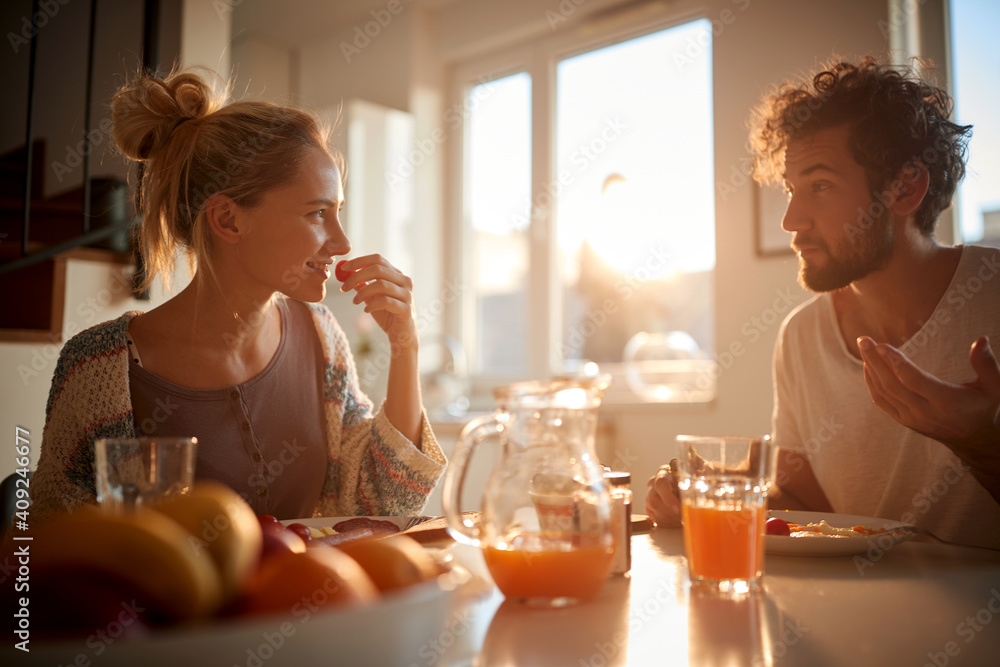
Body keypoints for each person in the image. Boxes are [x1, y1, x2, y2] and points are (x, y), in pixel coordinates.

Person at [31, 69, 446, 520]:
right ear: (228, 220)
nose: (342, 242)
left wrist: (406, 343)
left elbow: (384, 501)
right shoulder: (95, 368)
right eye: (317, 213)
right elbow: (51, 543)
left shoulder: (323, 338)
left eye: (338, 211)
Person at [646, 56, 1000, 549]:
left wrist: (979, 443)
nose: (791, 220)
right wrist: (710, 496)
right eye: (792, 190)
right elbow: (809, 510)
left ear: (906, 187)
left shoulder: (993, 298)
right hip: (857, 619)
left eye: (820, 186)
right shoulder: (801, 335)